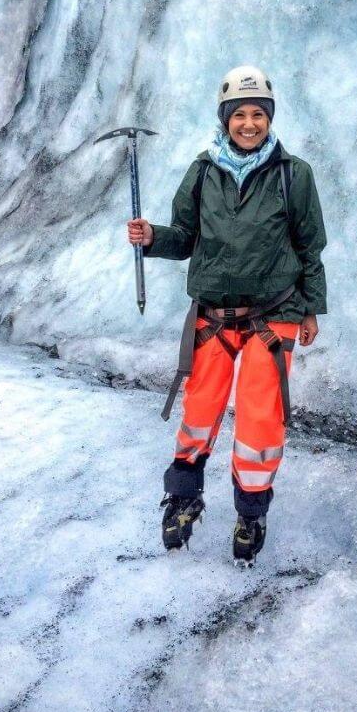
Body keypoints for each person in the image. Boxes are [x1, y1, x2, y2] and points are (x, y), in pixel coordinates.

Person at [127, 64, 327, 565]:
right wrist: (153, 238)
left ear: (269, 117)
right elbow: (185, 237)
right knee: (199, 414)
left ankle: (251, 514)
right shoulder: (202, 171)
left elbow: (310, 247)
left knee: (260, 420)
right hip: (213, 315)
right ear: (225, 118)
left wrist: (312, 308)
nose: (250, 123)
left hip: (274, 313)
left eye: (259, 113)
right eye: (240, 114)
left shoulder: (293, 175)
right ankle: (183, 497)